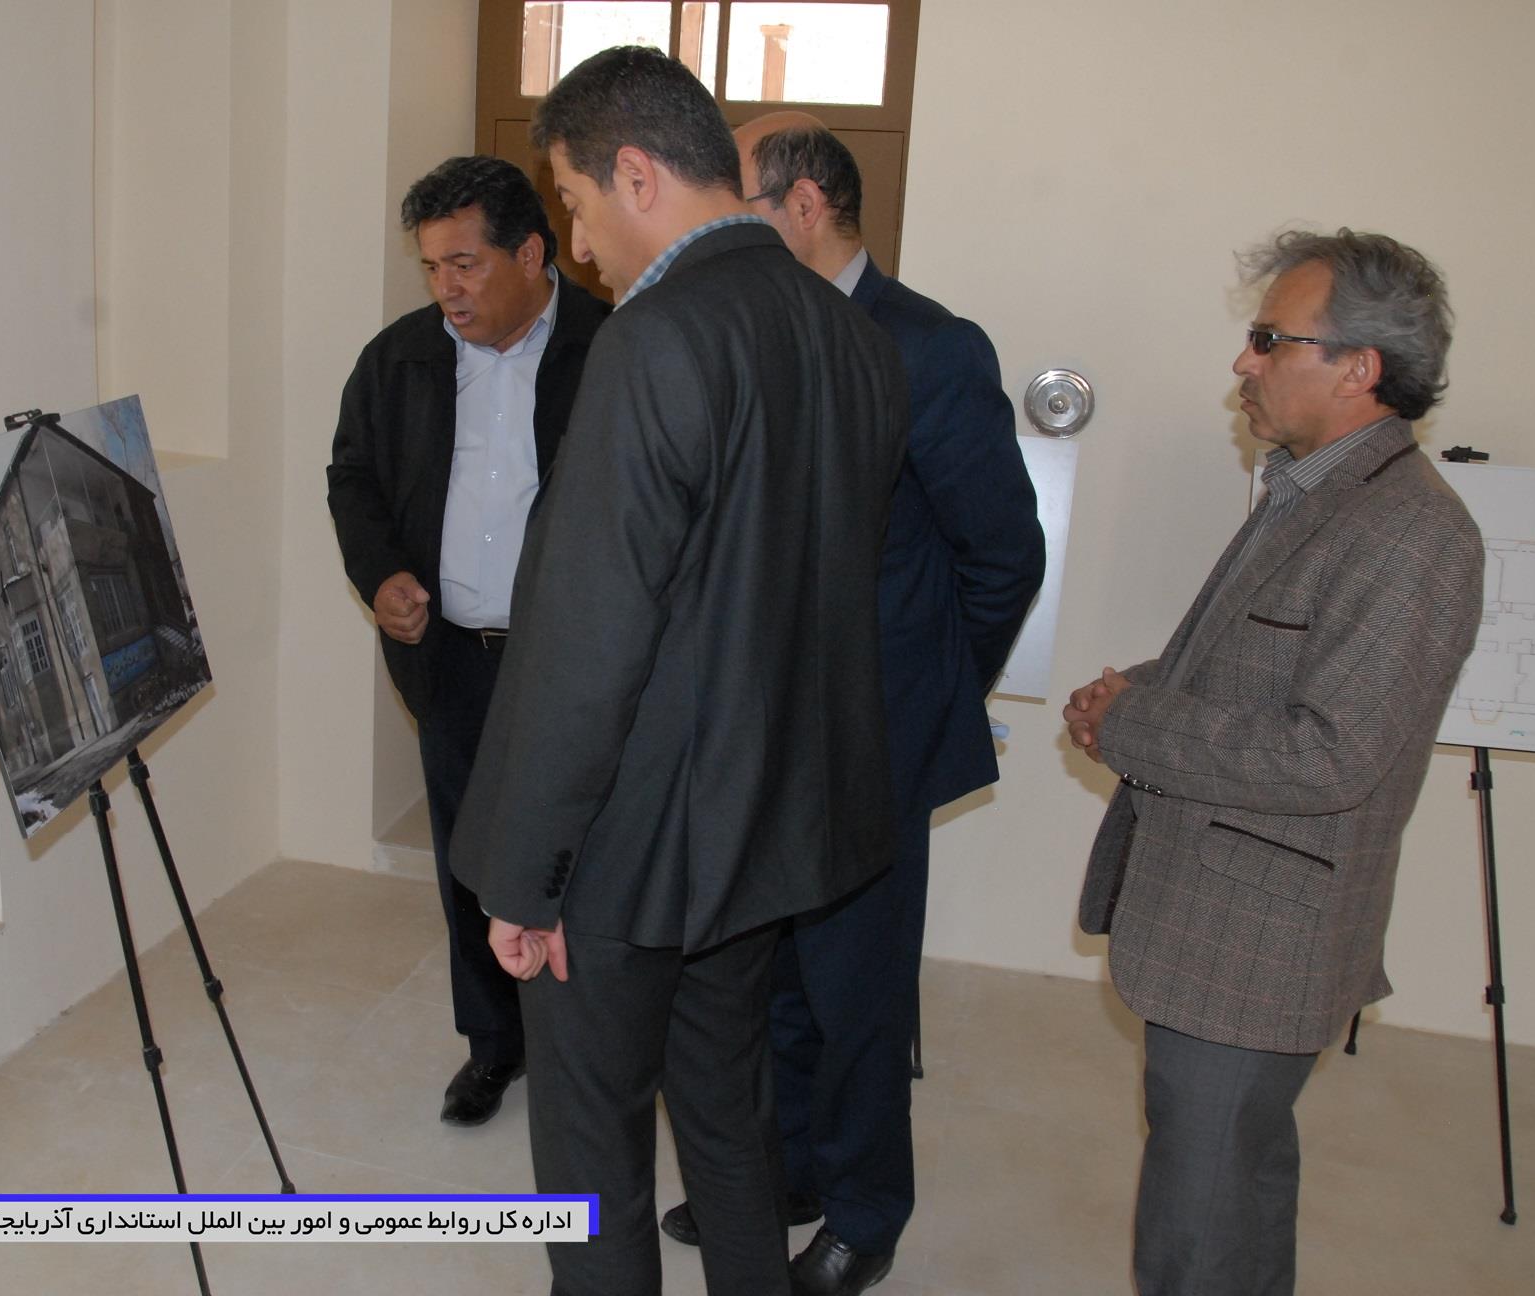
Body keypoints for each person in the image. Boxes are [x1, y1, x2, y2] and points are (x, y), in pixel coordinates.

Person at [447, 47, 910, 1296]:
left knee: (591, 1144)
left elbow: (587, 642)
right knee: (727, 1105)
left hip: (633, 837)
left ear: (637, 174)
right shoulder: (850, 333)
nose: (579, 245)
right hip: (764, 818)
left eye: (575, 202)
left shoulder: (654, 340)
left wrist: (528, 877)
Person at [652, 112, 1045, 1296]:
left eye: (736, 202)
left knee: (856, 993)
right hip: (756, 733)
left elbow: (1002, 555)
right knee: (770, 978)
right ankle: (784, 1173)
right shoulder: (747, 331)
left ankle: (865, 1217)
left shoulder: (928, 346)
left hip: (869, 744)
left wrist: (919, 696)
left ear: (806, 203)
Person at [1063, 228, 1483, 1295]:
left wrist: (1134, 726)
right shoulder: (1314, 489)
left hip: (1258, 941)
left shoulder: (1411, 533)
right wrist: (1135, 690)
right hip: (1222, 920)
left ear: (1357, 368)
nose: (1242, 362)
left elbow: (1328, 753)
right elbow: (1242, 662)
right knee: (1233, 1191)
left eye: (1267, 339)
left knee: (1196, 1234)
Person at [326, 155, 609, 1127]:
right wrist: (381, 577)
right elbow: (352, 479)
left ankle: (585, 1047)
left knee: (581, 861)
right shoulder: (399, 359)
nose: (446, 288)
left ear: (530, 254)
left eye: (465, 264)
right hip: (452, 659)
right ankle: (494, 1046)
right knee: (470, 860)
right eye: (431, 267)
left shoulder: (611, 350)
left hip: (573, 666)